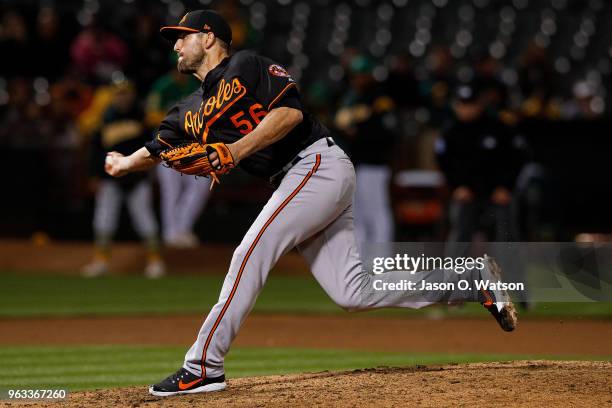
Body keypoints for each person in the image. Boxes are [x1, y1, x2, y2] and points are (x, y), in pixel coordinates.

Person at [104, 10, 517, 397]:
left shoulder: (246, 65)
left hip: (315, 164)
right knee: (352, 292)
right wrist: (125, 162)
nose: (175, 46)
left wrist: (236, 151)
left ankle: (203, 365)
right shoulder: (187, 111)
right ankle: (469, 281)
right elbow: (157, 148)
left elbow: (289, 114)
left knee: (250, 251)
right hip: (299, 179)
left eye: (183, 37)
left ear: (209, 38)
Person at [82, 80, 165, 278]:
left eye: (126, 93)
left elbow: (152, 148)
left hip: (137, 178)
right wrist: (94, 176)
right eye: (119, 93)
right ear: (113, 96)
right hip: (110, 179)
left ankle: (155, 262)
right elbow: (95, 151)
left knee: (144, 219)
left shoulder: (143, 117)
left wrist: (148, 174)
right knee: (103, 220)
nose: (123, 97)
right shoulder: (103, 119)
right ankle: (101, 261)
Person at [145, 66, 210, 248]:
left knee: (202, 186)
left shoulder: (196, 85)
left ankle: (182, 228)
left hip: (191, 147)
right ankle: (170, 234)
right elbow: (150, 117)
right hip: (167, 146)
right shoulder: (162, 86)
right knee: (171, 192)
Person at [334, 55, 396, 244]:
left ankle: (382, 258)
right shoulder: (351, 98)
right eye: (355, 75)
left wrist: (358, 131)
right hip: (355, 163)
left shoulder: (380, 100)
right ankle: (361, 258)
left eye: (362, 75)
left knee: (377, 212)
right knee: (357, 214)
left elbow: (387, 133)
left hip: (374, 164)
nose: (358, 79)